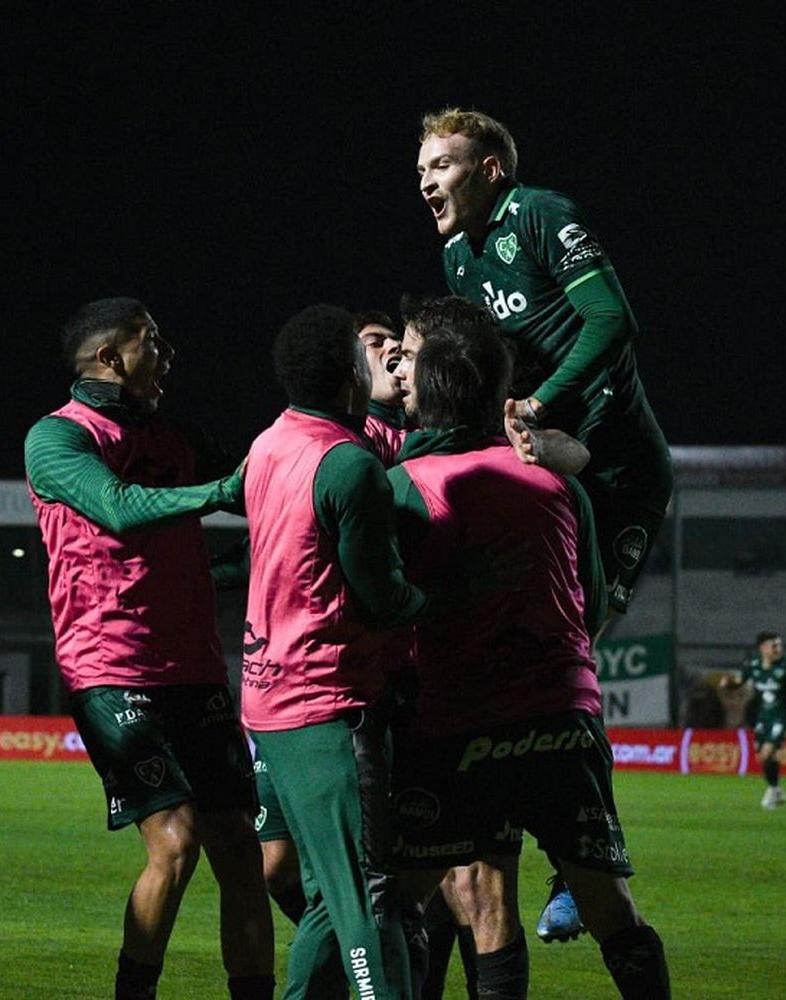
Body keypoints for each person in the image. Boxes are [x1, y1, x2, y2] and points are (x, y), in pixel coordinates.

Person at [387, 317, 669, 999]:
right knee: (611, 911)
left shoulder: (404, 485)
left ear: (427, 393)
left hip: (459, 726)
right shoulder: (559, 487)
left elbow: (384, 605)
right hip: (563, 722)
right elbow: (593, 605)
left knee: (401, 908)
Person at [25, 298, 274, 1000]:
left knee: (239, 854)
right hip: (110, 671)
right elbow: (121, 508)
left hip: (195, 671)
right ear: (109, 358)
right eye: (151, 342)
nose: (166, 356)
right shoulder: (56, 439)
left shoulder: (177, 437)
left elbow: (271, 480)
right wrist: (227, 489)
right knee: (176, 841)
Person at [241, 304, 435, 999]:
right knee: (368, 900)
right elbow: (382, 595)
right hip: (331, 702)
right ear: (351, 377)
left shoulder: (268, 444)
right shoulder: (348, 464)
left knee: (326, 898)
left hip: (268, 700)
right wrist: (441, 598)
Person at [415, 107, 672, 619]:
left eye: (441, 166)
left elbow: (611, 319)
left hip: (616, 460)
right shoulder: (457, 256)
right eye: (421, 171)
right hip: (547, 454)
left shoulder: (539, 212)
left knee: (578, 630)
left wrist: (537, 403)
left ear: (489, 170)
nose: (426, 184)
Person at [398, 295, 591, 951]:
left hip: (453, 714)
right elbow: (585, 592)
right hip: (558, 709)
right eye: (387, 352)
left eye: (408, 353)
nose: (399, 366)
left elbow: (378, 596)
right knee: (472, 894)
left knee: (414, 899)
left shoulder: (407, 477)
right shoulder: (548, 476)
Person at [719, 632, 786, 809]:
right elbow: (739, 682)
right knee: (762, 757)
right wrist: (728, 683)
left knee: (767, 752)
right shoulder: (753, 666)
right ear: (763, 648)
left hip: (782, 716)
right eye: (774, 645)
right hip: (762, 717)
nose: (778, 649)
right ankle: (776, 790)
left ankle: (772, 792)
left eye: (779, 645)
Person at [357, 310, 410, 466]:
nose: (395, 345)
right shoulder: (360, 437)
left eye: (396, 339)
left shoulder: (428, 416)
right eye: (375, 343)